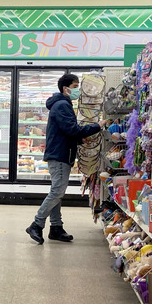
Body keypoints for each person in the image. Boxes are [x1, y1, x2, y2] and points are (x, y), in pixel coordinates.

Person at [26, 73, 101, 244]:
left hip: (61, 152)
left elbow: (66, 131)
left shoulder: (61, 104)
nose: (77, 90)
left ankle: (56, 228)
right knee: (58, 191)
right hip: (60, 154)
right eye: (75, 87)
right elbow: (72, 129)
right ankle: (36, 224)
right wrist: (97, 126)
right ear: (65, 88)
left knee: (57, 192)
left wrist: (78, 139)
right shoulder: (61, 105)